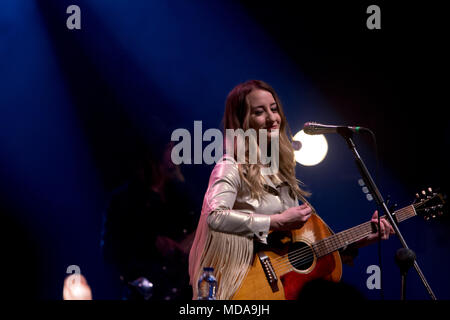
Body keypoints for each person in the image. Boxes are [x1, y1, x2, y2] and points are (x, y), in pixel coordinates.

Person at [188, 80, 394, 300]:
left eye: (274, 109)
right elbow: (214, 217)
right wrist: (275, 221)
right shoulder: (230, 166)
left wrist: (362, 238)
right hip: (241, 287)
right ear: (242, 122)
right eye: (259, 112)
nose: (272, 118)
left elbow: (296, 254)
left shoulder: (282, 173)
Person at [102, 138, 199, 300]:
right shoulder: (122, 201)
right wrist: (151, 245)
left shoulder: (182, 192)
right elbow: (111, 254)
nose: (176, 155)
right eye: (170, 148)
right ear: (153, 156)